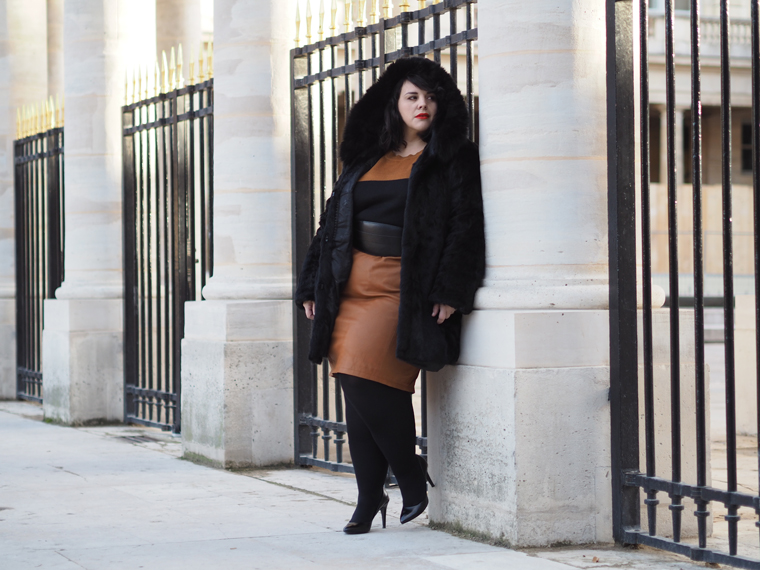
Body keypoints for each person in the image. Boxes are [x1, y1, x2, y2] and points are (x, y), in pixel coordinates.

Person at [295, 56, 485, 534]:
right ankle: (368, 499)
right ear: (394, 103)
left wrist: (451, 288)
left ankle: (409, 474)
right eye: (412, 97)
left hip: (403, 286)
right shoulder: (366, 157)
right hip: (348, 286)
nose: (423, 105)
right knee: (354, 382)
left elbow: (466, 225)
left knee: (364, 377)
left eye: (431, 97)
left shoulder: (452, 156)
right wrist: (311, 281)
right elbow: (330, 223)